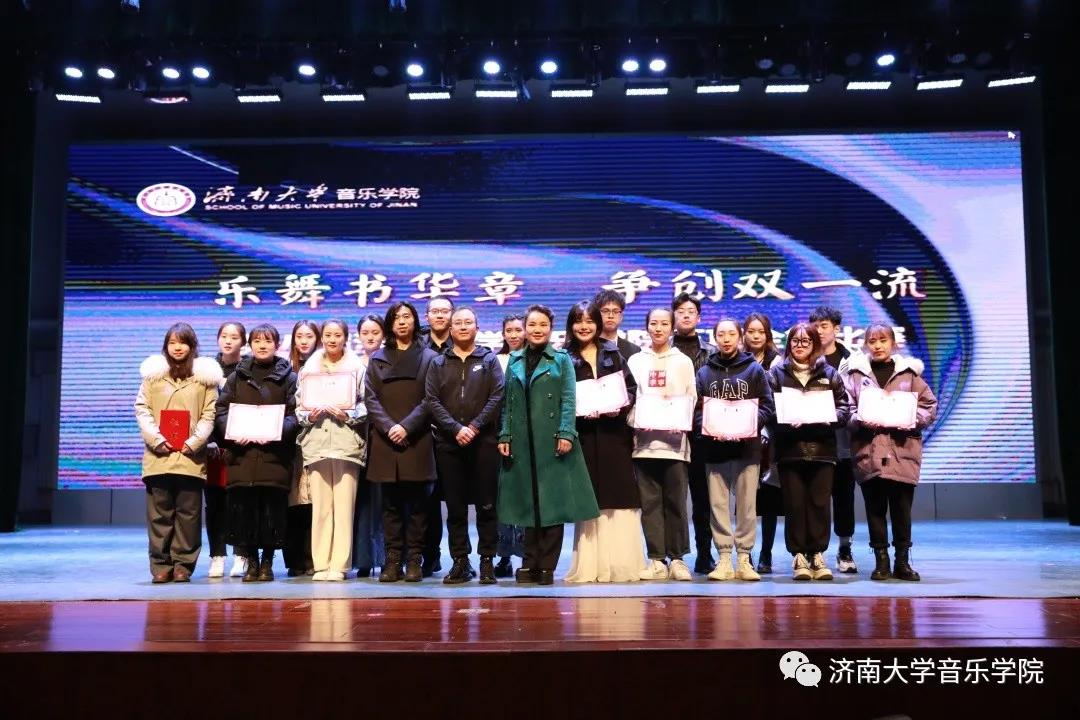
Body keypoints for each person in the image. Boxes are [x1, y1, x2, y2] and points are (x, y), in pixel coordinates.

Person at [498, 304, 599, 585]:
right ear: (525, 328)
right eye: (532, 325)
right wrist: (505, 435)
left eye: (543, 325)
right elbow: (508, 403)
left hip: (551, 439)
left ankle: (546, 565)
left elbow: (569, 398)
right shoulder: (515, 360)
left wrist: (566, 432)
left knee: (552, 504)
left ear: (551, 328)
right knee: (527, 502)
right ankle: (529, 562)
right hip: (522, 440)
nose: (537, 330)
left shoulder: (561, 359)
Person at [846, 324, 938, 581]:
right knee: (875, 509)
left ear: (893, 343)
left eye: (883, 340)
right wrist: (859, 418)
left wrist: (911, 419)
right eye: (872, 341)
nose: (877, 345)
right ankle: (881, 562)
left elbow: (929, 405)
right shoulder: (856, 376)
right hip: (870, 452)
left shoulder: (909, 375)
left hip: (902, 452)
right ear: (865, 345)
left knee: (901, 510)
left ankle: (902, 562)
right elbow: (846, 408)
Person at [562, 301, 645, 583]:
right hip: (583, 437)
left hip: (614, 436)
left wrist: (619, 405)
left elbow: (631, 389)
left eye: (589, 321)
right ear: (571, 325)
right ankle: (591, 566)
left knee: (620, 496)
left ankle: (623, 565)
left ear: (598, 324)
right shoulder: (564, 357)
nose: (584, 326)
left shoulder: (613, 352)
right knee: (590, 499)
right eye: (578, 321)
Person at [134, 323, 222, 583]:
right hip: (158, 456)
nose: (177, 347)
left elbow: (209, 414)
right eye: (172, 343)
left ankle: (183, 564)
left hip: (190, 457)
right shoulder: (153, 378)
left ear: (192, 346)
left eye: (182, 342)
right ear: (166, 346)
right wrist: (156, 439)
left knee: (188, 515)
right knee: (159, 514)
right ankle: (161, 565)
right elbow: (142, 410)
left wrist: (194, 442)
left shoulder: (205, 380)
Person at [766, 322, 853, 581]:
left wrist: (829, 418)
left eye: (806, 341)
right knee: (794, 505)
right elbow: (768, 408)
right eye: (795, 341)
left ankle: (817, 554)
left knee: (819, 504)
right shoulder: (776, 374)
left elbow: (844, 408)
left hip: (823, 450)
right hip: (789, 450)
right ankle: (799, 556)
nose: (800, 345)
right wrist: (783, 418)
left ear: (814, 344)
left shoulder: (829, 373)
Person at [425, 307, 505, 584]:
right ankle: (460, 561)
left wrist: (474, 426)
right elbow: (432, 400)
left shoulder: (489, 359)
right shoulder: (438, 362)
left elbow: (497, 396)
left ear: (477, 327)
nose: (462, 327)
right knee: (455, 507)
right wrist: (455, 428)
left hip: (484, 442)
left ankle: (487, 560)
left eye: (467, 322)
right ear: (450, 329)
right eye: (457, 323)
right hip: (449, 444)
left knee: (486, 505)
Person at [215, 324, 298, 582]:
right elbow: (221, 411)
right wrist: (232, 432)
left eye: (268, 341)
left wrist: (276, 432)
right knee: (244, 512)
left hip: (275, 456)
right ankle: (251, 561)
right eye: (258, 341)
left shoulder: (290, 377)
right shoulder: (236, 377)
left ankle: (267, 563)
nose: (263, 345)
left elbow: (295, 415)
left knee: (272, 512)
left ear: (277, 345)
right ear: (250, 345)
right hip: (242, 456)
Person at [694, 318, 775, 581]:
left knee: (747, 507)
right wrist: (708, 426)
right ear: (715, 338)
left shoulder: (754, 370)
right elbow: (696, 410)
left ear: (739, 337)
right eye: (721, 335)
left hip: (747, 450)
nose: (726, 339)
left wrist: (748, 424)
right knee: (718, 506)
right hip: (714, 449)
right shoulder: (705, 372)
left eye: (731, 334)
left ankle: (744, 558)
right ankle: (724, 558)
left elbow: (767, 406)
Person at [366, 301, 438, 582]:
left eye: (407, 316)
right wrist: (389, 427)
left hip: (417, 439)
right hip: (385, 441)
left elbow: (431, 398)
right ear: (389, 324)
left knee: (419, 506)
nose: (402, 322)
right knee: (390, 507)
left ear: (415, 321)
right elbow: (371, 398)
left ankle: (414, 560)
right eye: (397, 318)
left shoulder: (430, 357)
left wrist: (406, 427)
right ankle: (392, 561)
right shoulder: (378, 358)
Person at [626, 308, 697, 581]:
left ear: (672, 327)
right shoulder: (635, 360)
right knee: (650, 503)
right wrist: (636, 420)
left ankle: (678, 559)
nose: (658, 328)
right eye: (653, 323)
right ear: (646, 327)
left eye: (664, 323)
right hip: (643, 444)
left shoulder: (682, 361)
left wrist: (682, 420)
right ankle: (657, 559)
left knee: (676, 502)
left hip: (675, 445)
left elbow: (691, 397)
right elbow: (629, 397)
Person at [296, 319, 367, 582]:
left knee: (344, 508)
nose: (332, 339)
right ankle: (321, 564)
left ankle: (339, 565)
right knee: (321, 508)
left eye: (337, 335)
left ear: (345, 338)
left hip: (346, 443)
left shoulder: (356, 367)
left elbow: (366, 404)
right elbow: (299, 406)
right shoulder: (310, 368)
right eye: (328, 335)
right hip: (316, 444)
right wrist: (309, 416)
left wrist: (348, 414)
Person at [670, 292, 717, 574]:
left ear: (699, 318)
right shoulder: (663, 350)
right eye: (680, 311)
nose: (686, 315)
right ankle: (672, 556)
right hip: (669, 432)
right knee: (672, 498)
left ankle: (704, 554)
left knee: (702, 499)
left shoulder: (711, 352)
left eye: (691, 311)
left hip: (702, 434)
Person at [811, 306, 858, 574]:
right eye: (815, 325)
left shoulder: (853, 361)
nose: (819, 330)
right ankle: (815, 550)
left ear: (836, 329)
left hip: (843, 443)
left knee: (843, 497)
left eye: (824, 325)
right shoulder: (803, 358)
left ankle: (844, 548)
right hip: (813, 441)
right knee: (816, 499)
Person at [742, 312, 783, 574]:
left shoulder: (778, 362)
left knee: (769, 498)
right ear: (744, 333)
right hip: (743, 433)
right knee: (745, 497)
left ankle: (766, 553)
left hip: (772, 434)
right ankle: (743, 553)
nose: (756, 336)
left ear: (768, 335)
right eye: (751, 331)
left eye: (761, 331)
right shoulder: (737, 360)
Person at [206, 321, 246, 579]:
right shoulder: (206, 369)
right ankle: (217, 555)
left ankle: (241, 554)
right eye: (224, 336)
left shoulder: (248, 368)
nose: (228, 341)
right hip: (214, 447)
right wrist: (208, 439)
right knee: (215, 503)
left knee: (240, 502)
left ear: (243, 342)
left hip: (242, 443)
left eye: (234, 337)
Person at [419, 296, 455, 575]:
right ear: (427, 315)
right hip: (423, 432)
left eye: (445, 311)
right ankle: (429, 556)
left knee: (456, 499)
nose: (440, 316)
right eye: (435, 311)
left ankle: (462, 559)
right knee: (427, 501)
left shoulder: (464, 342)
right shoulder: (418, 345)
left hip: (455, 431)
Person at [353, 314, 387, 578]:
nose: (370, 337)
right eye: (365, 332)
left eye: (375, 332)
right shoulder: (352, 365)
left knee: (385, 502)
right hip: (356, 439)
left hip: (384, 437)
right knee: (363, 502)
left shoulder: (389, 362)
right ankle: (364, 558)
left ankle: (388, 557)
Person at [284, 320, 319, 577]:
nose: (304, 341)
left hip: (317, 440)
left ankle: (314, 557)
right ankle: (295, 559)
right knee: (294, 502)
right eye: (299, 336)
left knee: (315, 503)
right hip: (291, 444)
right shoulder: (286, 370)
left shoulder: (325, 369)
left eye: (309, 336)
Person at [494, 314, 526, 577]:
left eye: (518, 329)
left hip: (527, 436)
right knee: (502, 498)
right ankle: (503, 557)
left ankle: (526, 555)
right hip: (499, 436)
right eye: (509, 330)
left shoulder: (535, 360)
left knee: (525, 497)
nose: (514, 335)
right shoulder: (496, 361)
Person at [593, 289, 642, 361]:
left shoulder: (634, 351)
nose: (610, 316)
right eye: (605, 311)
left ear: (621, 316)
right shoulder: (586, 347)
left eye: (615, 311)